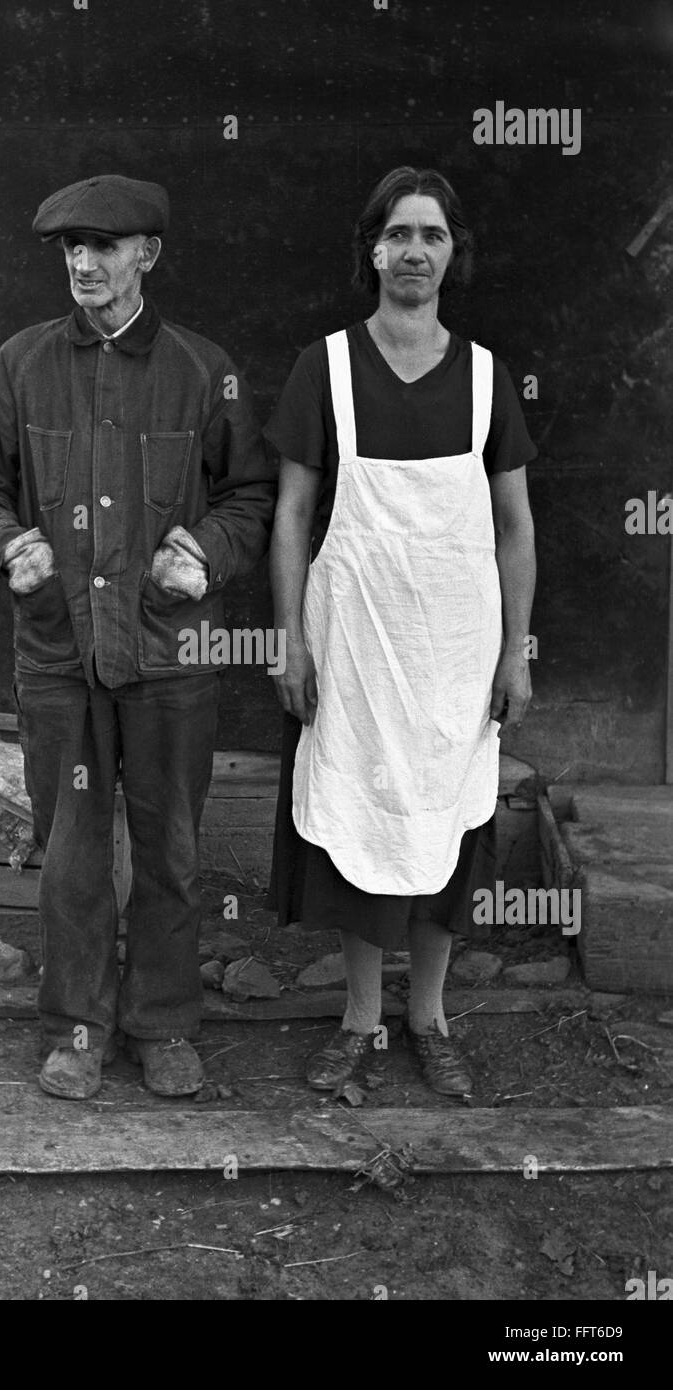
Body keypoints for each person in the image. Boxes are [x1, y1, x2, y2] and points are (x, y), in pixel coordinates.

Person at [0, 174, 276, 1100]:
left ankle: (164, 1025)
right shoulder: (19, 365)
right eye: (69, 249)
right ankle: (77, 1028)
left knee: (171, 848)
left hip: (171, 657)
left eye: (104, 246)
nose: (84, 264)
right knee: (73, 852)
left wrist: (205, 555)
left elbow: (252, 494)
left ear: (149, 254)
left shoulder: (203, 372)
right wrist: (7, 543)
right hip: (59, 655)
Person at [266, 167, 536, 1098]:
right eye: (398, 234)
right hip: (356, 651)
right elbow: (293, 517)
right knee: (360, 822)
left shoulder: (487, 375)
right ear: (372, 251)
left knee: (445, 831)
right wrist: (290, 641)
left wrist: (515, 651)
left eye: (432, 234)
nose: (414, 250)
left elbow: (514, 526)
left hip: (455, 659)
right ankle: (358, 1021)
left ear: (452, 253)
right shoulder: (326, 368)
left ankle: (429, 1018)